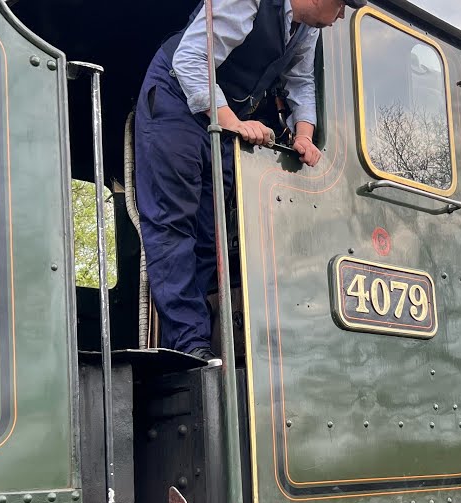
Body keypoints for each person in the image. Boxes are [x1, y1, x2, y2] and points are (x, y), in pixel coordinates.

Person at [135, 0, 364, 363]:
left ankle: (193, 339)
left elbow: (301, 82)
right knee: (174, 221)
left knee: (212, 234)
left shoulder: (307, 29)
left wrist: (303, 134)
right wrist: (234, 123)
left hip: (224, 112)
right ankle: (190, 344)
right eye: (341, 6)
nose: (341, 16)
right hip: (177, 96)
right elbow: (191, 61)